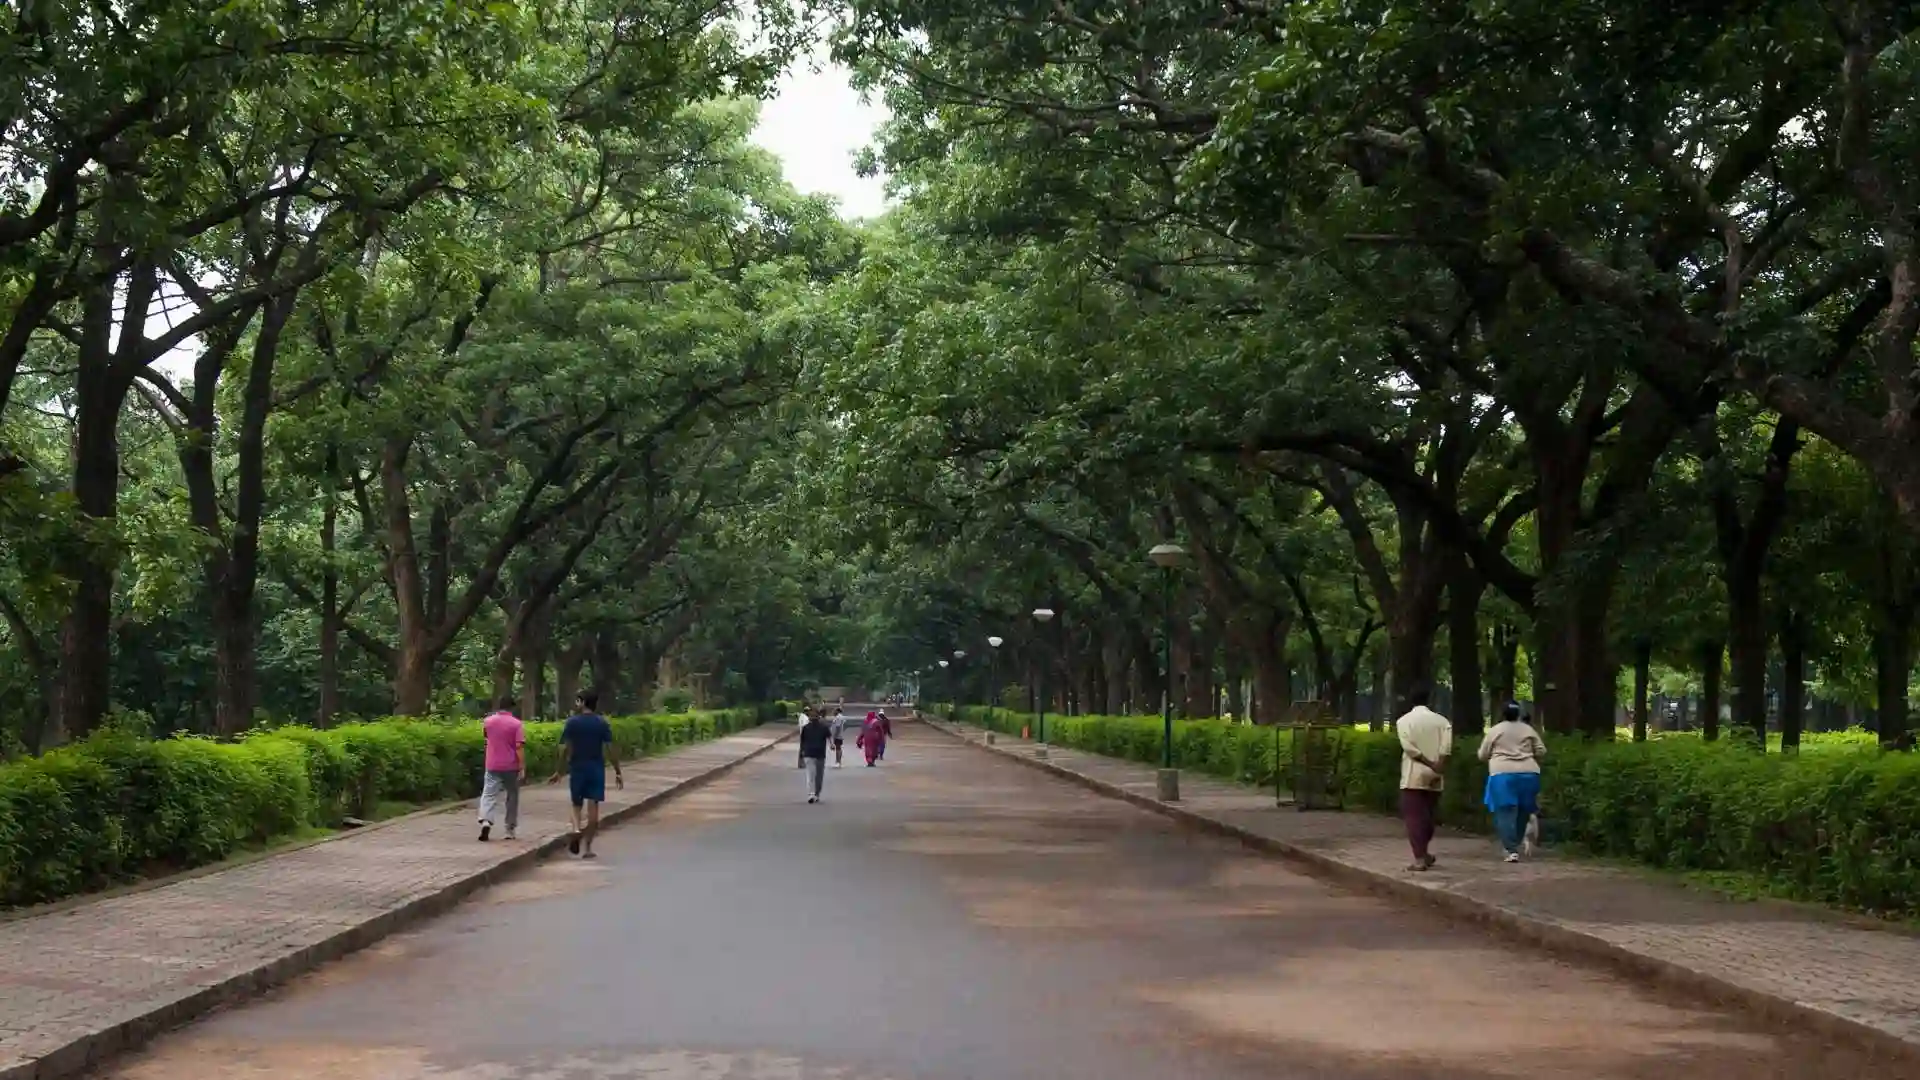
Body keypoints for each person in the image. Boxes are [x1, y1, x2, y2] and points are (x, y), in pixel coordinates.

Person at [550, 690, 622, 858]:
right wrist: (618, 772)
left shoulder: (572, 723)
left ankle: (576, 829)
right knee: (593, 808)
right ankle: (588, 848)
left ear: (582, 703)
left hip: (577, 767)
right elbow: (611, 749)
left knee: (576, 805)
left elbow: (564, 748)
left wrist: (559, 771)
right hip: (596, 768)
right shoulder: (602, 723)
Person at [1479, 702, 1547, 862]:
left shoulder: (1495, 730)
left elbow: (1482, 754)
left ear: (1502, 714)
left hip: (1502, 774)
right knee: (1524, 811)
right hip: (1528, 773)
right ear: (1519, 714)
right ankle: (1515, 841)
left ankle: (1511, 849)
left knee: (1505, 811)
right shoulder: (1528, 729)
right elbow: (1541, 750)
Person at [1395, 684, 1453, 872]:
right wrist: (1438, 765)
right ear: (1430, 700)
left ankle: (1419, 858)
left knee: (1413, 817)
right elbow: (1446, 748)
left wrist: (1428, 762)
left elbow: (1410, 749)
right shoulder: (1442, 721)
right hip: (1435, 773)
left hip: (1414, 773)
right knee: (1429, 815)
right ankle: (1425, 853)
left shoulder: (1404, 721)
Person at [478, 697, 525, 842]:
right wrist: (522, 766)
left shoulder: (488, 721)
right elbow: (519, 747)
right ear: (512, 708)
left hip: (492, 764)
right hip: (511, 766)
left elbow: (486, 738)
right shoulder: (516, 724)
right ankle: (509, 829)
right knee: (512, 796)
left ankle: (486, 820)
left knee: (488, 793)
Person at [799, 710, 832, 802]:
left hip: (820, 754)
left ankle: (816, 793)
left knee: (819, 776)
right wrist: (802, 752)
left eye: (815, 717)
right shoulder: (806, 728)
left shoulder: (823, 727)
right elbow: (803, 741)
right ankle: (811, 794)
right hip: (809, 754)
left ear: (818, 717)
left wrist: (832, 744)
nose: (813, 719)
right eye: (812, 717)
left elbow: (829, 736)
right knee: (811, 775)